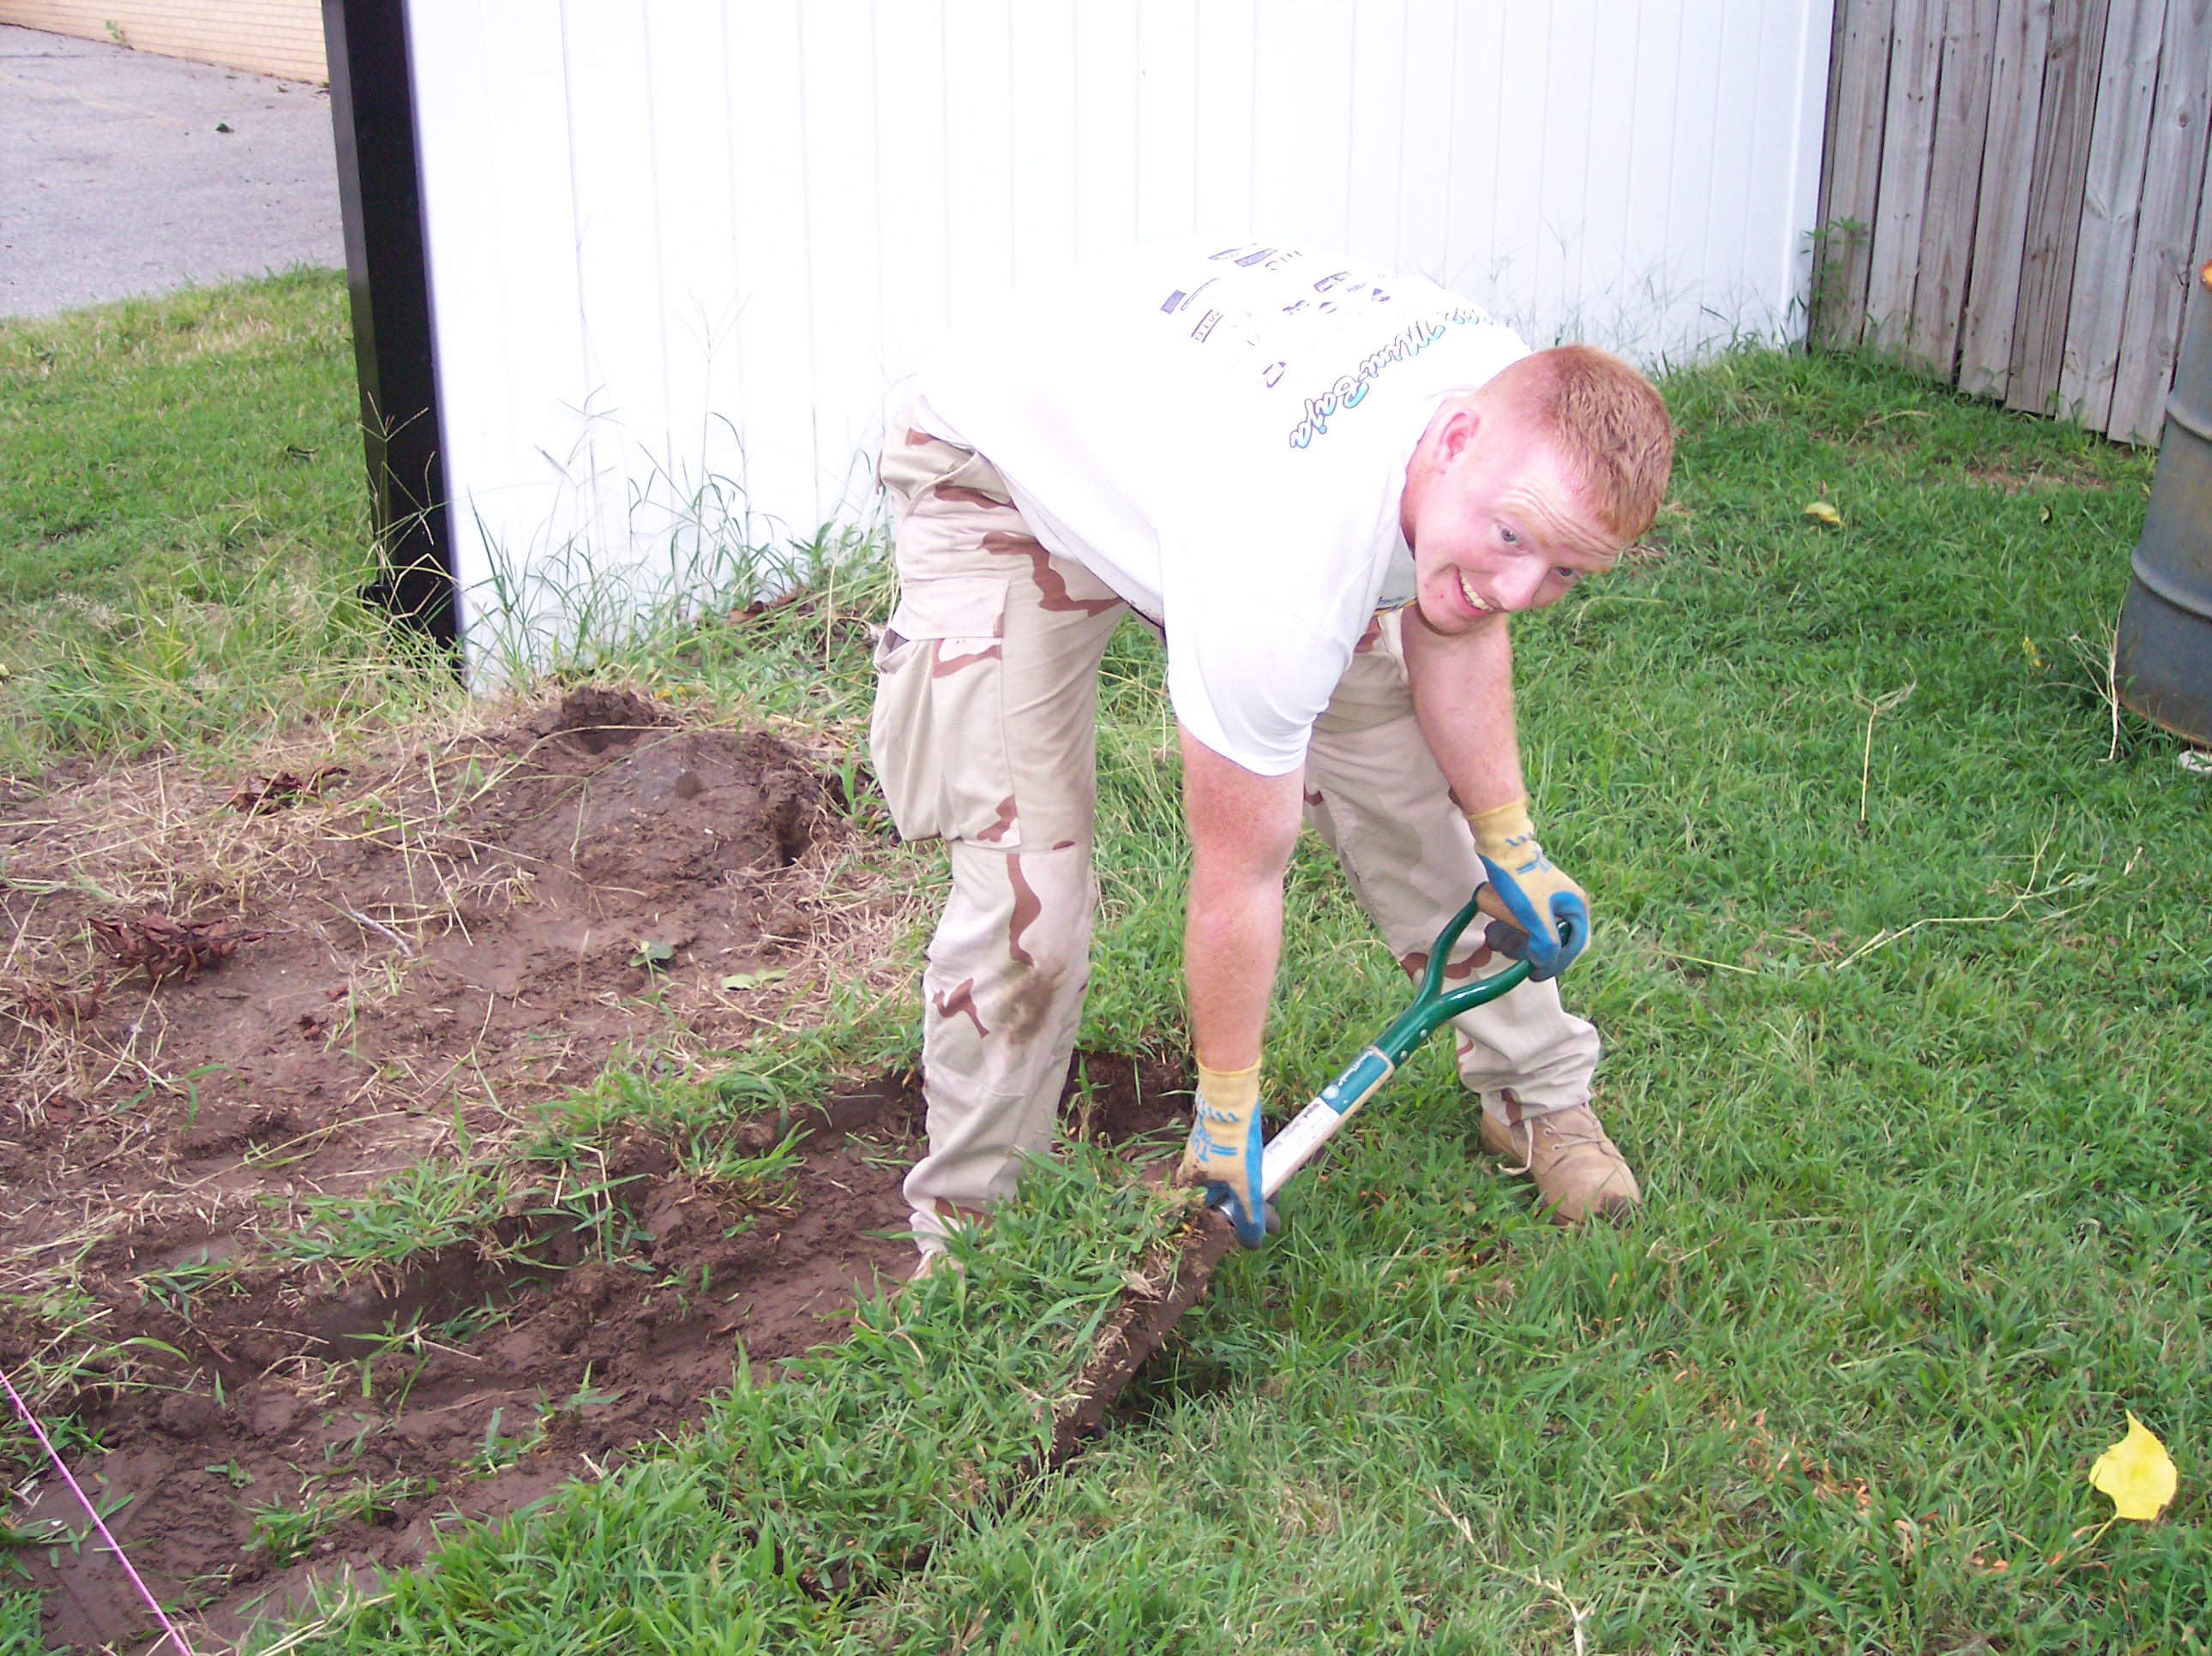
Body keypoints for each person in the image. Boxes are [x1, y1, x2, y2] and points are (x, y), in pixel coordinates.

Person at [867, 239, 1673, 1271]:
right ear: (1455, 438)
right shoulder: (1286, 564)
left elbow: (1462, 631)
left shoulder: (1512, 421)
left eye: (1564, 569)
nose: (1520, 591)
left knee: (1413, 807)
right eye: (1514, 540)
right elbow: (1241, 868)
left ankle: (1539, 1095)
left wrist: (1510, 840)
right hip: (1005, 476)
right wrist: (1227, 1104)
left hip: (1207, 464)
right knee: (1028, 896)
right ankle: (975, 1245)